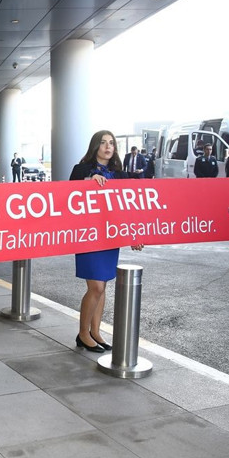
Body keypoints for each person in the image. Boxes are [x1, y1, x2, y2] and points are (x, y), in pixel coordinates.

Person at [69, 131, 143, 352]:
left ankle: (95, 332)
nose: (107, 147)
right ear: (95, 146)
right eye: (103, 143)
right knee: (96, 286)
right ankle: (83, 333)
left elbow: (126, 209)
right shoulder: (81, 169)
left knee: (102, 286)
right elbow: (67, 193)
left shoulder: (119, 175)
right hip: (88, 235)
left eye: (111, 143)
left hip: (110, 235)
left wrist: (134, 234)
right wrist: (87, 181)